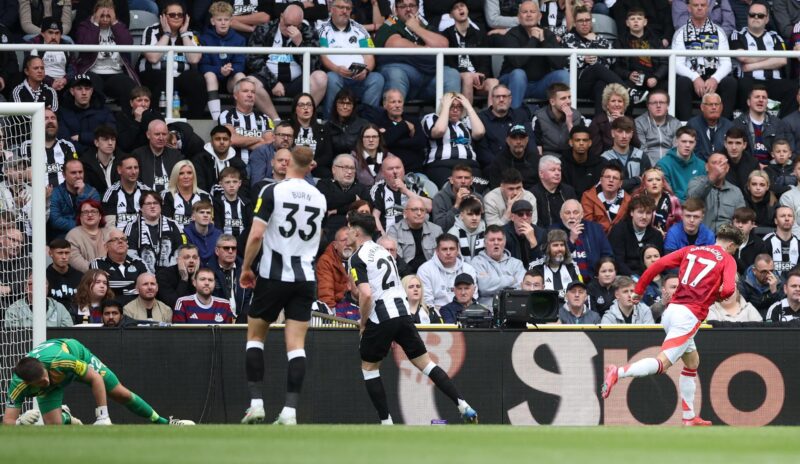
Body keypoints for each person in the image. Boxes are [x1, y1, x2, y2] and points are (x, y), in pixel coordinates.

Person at [601, 223, 744, 427]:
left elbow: (657, 266)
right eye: (735, 249)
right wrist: (715, 295)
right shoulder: (728, 260)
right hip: (688, 316)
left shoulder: (691, 249)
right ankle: (618, 372)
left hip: (672, 312)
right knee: (662, 364)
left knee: (692, 362)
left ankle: (689, 417)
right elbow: (729, 289)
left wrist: (640, 290)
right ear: (731, 245)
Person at [345, 212, 478, 424]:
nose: (346, 233)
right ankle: (463, 404)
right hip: (403, 313)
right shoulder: (385, 252)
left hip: (380, 317)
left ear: (356, 231)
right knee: (426, 364)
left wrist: (363, 324)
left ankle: (386, 422)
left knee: (369, 368)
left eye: (349, 228)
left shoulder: (356, 258)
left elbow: (366, 293)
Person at [239, 145, 326, 425]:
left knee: (255, 337)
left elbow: (256, 235)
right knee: (296, 346)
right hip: (305, 278)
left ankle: (256, 404)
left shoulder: (272, 190)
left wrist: (246, 267)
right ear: (311, 165)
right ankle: (290, 411)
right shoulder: (319, 197)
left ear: (286, 163)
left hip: (273, 276)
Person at [2, 338, 194, 425]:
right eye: (42, 383)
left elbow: (94, 378)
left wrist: (103, 417)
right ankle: (65, 416)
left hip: (79, 356)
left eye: (47, 376)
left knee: (119, 392)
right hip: (54, 377)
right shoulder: (18, 385)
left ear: (44, 367)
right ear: (29, 384)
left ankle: (163, 423)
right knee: (55, 428)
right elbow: (8, 421)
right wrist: (18, 423)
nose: (48, 381)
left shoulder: (61, 359)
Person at [374, 0, 459, 101]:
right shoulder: (391, 23)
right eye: (403, 6)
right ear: (396, 10)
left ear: (418, 8)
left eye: (412, 6)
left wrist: (417, 28)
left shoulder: (423, 24)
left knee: (452, 74)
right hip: (404, 73)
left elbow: (443, 44)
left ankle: (449, 115)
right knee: (396, 73)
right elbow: (395, 44)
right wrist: (428, 49)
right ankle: (394, 117)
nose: (408, 9)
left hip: (430, 76)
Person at [246, 4, 327, 106]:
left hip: (297, 82)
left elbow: (314, 66)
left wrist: (300, 44)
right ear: (281, 17)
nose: (290, 29)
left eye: (295, 26)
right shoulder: (265, 29)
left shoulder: (308, 31)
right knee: (250, 82)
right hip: (268, 79)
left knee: (321, 77)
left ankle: (305, 118)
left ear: (300, 24)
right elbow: (253, 60)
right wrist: (273, 82)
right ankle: (275, 119)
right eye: (287, 25)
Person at [138, 0, 207, 119]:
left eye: (180, 15)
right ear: (163, 16)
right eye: (172, 15)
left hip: (180, 78)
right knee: (162, 78)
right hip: (154, 77)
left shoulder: (190, 35)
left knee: (197, 79)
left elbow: (194, 59)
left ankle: (195, 120)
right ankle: (156, 120)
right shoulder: (151, 31)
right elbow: (153, 58)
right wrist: (166, 34)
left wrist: (184, 34)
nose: (176, 17)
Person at [672, 0, 737, 121]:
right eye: (696, 5)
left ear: (708, 7)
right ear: (689, 8)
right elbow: (677, 64)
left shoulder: (719, 31)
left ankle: (725, 126)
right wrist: (695, 77)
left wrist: (715, 78)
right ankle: (686, 125)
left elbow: (727, 63)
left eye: (703, 5)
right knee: (682, 82)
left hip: (714, 79)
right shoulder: (680, 32)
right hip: (691, 79)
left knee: (730, 82)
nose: (699, 8)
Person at [497, 1, 569, 109]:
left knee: (563, 74)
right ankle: (515, 118)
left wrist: (544, 42)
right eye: (525, 12)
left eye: (532, 11)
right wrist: (534, 39)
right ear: (518, 16)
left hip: (540, 85)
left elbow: (559, 64)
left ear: (539, 16)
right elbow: (517, 62)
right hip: (513, 84)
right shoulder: (511, 34)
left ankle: (564, 116)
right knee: (518, 74)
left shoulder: (548, 34)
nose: (529, 14)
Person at [318, 0, 384, 118]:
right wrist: (337, 69)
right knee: (331, 78)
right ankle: (330, 123)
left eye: (348, 8)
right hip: (337, 76)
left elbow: (369, 55)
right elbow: (323, 56)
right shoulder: (322, 29)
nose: (345, 11)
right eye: (340, 7)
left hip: (359, 77)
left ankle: (366, 124)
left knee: (377, 78)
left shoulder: (360, 29)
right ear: (331, 9)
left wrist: (366, 70)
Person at [731, 1, 797, 116]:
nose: (756, 18)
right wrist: (771, 54)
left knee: (792, 87)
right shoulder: (737, 34)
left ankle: (782, 124)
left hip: (773, 81)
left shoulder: (775, 36)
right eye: (752, 15)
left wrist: (752, 65)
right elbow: (743, 57)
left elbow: (782, 60)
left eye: (760, 16)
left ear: (767, 19)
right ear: (747, 16)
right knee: (743, 84)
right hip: (749, 82)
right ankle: (745, 123)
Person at [72, 0, 138, 114]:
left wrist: (115, 23)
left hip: (115, 73)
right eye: (102, 15)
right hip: (93, 71)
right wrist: (95, 24)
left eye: (108, 16)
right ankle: (94, 121)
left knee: (128, 86)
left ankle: (128, 123)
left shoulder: (119, 27)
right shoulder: (85, 26)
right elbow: (87, 45)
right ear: (95, 14)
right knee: (92, 86)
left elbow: (127, 43)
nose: (105, 19)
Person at [563, 5, 625, 114]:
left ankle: (599, 124)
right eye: (580, 20)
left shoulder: (599, 39)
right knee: (595, 67)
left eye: (587, 20)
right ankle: (626, 90)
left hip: (594, 85)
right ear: (575, 23)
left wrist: (595, 40)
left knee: (601, 85)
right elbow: (565, 62)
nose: (584, 23)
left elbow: (611, 60)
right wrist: (583, 59)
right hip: (577, 84)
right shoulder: (568, 38)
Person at [421, 92, 485, 187]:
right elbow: (439, 131)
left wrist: (468, 107)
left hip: (470, 165)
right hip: (441, 165)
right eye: (452, 106)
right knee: (451, 189)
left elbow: (479, 133)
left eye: (459, 106)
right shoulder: (432, 118)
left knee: (478, 188)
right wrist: (446, 107)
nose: (455, 110)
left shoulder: (466, 121)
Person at [199, 1, 248, 121]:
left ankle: (240, 117)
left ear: (231, 21)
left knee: (241, 76)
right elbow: (203, 65)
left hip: (230, 80)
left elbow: (240, 64)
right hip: (211, 80)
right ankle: (217, 120)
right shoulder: (204, 39)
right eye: (219, 19)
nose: (223, 23)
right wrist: (220, 70)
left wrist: (230, 70)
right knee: (210, 75)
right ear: (212, 21)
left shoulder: (239, 39)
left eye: (226, 19)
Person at [444, 1, 496, 104]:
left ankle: (490, 118)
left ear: (467, 9)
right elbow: (449, 64)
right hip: (460, 77)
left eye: (462, 6)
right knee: (468, 77)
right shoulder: (446, 35)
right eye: (456, 8)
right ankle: (466, 118)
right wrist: (467, 74)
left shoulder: (480, 33)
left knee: (494, 83)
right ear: (451, 15)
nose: (460, 9)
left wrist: (482, 75)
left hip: (478, 78)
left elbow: (486, 59)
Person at [612, 7, 669, 104]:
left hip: (653, 79)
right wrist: (628, 75)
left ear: (645, 22)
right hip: (631, 81)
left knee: (670, 85)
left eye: (639, 19)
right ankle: (626, 119)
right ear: (627, 23)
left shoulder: (655, 41)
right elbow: (615, 66)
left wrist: (656, 77)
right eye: (632, 19)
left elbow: (665, 63)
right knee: (623, 89)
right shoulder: (620, 42)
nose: (636, 21)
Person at [124, 191, 186, 274]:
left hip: (170, 274)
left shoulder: (173, 225)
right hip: (143, 276)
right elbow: (130, 254)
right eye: (148, 204)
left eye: (155, 203)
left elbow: (181, 250)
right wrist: (146, 273)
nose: (152, 206)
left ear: (161, 206)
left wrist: (170, 270)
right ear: (141, 208)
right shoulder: (131, 227)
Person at [732, 85, 794, 166]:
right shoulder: (737, 124)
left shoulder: (779, 124)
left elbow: (787, 151)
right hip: (746, 167)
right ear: (748, 102)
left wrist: (770, 167)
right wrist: (755, 165)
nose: (761, 100)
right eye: (757, 97)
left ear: (767, 103)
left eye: (764, 98)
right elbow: (735, 152)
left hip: (773, 169)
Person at [218, 77, 275, 166]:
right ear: (235, 95)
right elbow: (231, 139)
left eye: (253, 92)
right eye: (245, 91)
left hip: (260, 165)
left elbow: (269, 143)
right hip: (234, 165)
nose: (250, 95)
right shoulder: (226, 115)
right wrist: (259, 139)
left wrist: (241, 141)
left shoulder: (265, 118)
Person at [553, 199, 614, 282]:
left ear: (582, 215)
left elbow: (607, 255)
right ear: (561, 215)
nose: (572, 216)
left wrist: (601, 275)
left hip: (594, 281)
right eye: (567, 213)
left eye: (575, 212)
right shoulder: (553, 231)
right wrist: (571, 240)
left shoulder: (595, 229)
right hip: (565, 281)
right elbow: (554, 260)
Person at [370, 155, 431, 235]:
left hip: (414, 235)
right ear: (383, 173)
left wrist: (405, 191)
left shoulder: (414, 185)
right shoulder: (378, 189)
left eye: (398, 168)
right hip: (390, 237)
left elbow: (429, 207)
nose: (395, 171)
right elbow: (375, 217)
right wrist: (384, 238)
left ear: (404, 170)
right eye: (390, 169)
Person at [56, 74, 116, 155]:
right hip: (75, 157)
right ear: (72, 91)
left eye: (87, 89)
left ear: (91, 91)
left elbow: (110, 135)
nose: (84, 93)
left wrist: (81, 137)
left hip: (101, 155)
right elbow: (64, 140)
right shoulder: (63, 112)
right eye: (79, 89)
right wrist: (87, 154)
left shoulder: (104, 111)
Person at [686, 151, 746, 230]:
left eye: (722, 164)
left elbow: (741, 218)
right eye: (714, 163)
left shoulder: (735, 191)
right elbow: (692, 199)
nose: (718, 167)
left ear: (727, 168)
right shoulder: (696, 182)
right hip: (701, 237)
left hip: (727, 238)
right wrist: (713, 177)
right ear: (706, 167)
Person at [417, 233, 479, 309]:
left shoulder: (468, 269)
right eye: (444, 249)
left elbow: (473, 297)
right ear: (437, 251)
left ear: (458, 250)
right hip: (437, 315)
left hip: (464, 313)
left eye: (452, 249)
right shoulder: (425, 270)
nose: (448, 253)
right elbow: (426, 302)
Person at [608, 195, 664, 276]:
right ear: (631, 212)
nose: (644, 217)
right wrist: (635, 278)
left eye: (648, 213)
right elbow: (617, 262)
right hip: (624, 276)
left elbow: (659, 262)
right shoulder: (619, 231)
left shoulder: (656, 235)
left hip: (650, 276)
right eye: (640, 212)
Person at [471, 225, 525, 307]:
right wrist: (511, 279)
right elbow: (484, 287)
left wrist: (492, 282)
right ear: (485, 243)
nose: (496, 243)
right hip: (487, 311)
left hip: (513, 309)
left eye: (499, 239)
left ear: (504, 242)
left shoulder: (516, 264)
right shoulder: (477, 262)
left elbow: (522, 288)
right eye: (492, 240)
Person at [90, 229, 147, 304]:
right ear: (106, 246)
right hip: (110, 308)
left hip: (136, 308)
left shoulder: (139, 263)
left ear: (127, 245)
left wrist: (112, 284)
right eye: (115, 239)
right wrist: (133, 286)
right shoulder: (97, 263)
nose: (120, 241)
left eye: (123, 239)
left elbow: (146, 288)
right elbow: (98, 289)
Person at [49, 159, 100, 240]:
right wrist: (79, 228)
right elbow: (55, 220)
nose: (78, 176)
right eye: (73, 173)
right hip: (63, 237)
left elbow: (94, 216)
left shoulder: (92, 192)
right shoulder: (55, 193)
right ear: (64, 175)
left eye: (80, 172)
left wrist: (82, 195)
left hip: (88, 235)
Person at [389, 196, 443, 273]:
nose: (419, 213)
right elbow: (398, 261)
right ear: (405, 213)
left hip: (432, 273)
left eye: (422, 210)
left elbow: (441, 257)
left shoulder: (436, 230)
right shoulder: (395, 231)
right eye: (414, 209)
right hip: (406, 275)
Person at [533, 83, 585, 158]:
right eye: (563, 98)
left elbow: (580, 146)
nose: (568, 101)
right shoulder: (540, 117)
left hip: (571, 157)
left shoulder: (578, 116)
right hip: (548, 157)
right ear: (552, 102)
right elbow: (537, 146)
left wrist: (570, 124)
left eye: (569, 97)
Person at [589, 84, 641, 159]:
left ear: (624, 105)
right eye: (613, 101)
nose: (616, 104)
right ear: (607, 104)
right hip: (605, 161)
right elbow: (595, 151)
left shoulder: (630, 120)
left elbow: (636, 144)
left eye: (620, 101)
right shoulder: (598, 121)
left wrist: (624, 122)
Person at [289, 93, 334, 178]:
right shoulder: (288, 128)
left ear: (313, 108)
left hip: (315, 168)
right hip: (293, 165)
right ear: (295, 109)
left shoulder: (323, 129)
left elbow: (328, 155)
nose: (306, 108)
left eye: (309, 105)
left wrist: (315, 162)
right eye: (301, 105)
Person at [656, 126, 707, 202]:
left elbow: (704, 192)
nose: (687, 145)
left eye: (691, 142)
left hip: (695, 207)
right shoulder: (663, 164)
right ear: (676, 141)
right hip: (673, 206)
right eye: (684, 141)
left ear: (695, 143)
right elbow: (666, 193)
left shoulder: (702, 165)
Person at [102, 153, 151, 230]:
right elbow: (109, 226)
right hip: (119, 239)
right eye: (129, 168)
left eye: (136, 167)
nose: (134, 172)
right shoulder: (111, 193)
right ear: (119, 170)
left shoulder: (147, 192)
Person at [4, 274, 73, 329]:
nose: (40, 286)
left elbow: (68, 335)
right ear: (26, 288)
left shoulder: (59, 308)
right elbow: (13, 338)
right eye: (34, 283)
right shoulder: (14, 310)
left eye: (44, 283)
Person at [485, 124, 539, 191]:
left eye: (521, 138)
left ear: (527, 140)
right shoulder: (498, 162)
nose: (518, 142)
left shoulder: (536, 159)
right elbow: (495, 189)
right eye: (514, 138)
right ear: (507, 140)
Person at [635, 89, 682, 165]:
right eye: (654, 103)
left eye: (662, 102)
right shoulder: (639, 123)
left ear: (667, 105)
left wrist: (666, 167)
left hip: (670, 166)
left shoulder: (675, 123)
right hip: (646, 166)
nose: (658, 106)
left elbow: (676, 150)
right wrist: (655, 168)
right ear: (648, 105)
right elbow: (642, 150)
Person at [431, 164, 484, 232]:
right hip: (449, 238)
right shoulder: (440, 197)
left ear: (471, 181)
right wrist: (456, 205)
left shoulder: (478, 197)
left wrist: (481, 211)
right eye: (459, 178)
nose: (463, 181)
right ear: (451, 180)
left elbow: (484, 226)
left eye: (467, 178)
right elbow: (440, 227)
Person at [581, 164, 631, 234]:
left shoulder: (628, 200)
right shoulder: (588, 197)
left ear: (620, 183)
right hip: (596, 238)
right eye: (607, 177)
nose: (611, 180)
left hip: (619, 240)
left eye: (615, 178)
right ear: (601, 180)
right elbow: (588, 225)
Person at [532, 156, 578, 228]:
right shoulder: (533, 194)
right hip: (544, 235)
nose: (557, 173)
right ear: (541, 174)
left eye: (559, 170)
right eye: (553, 170)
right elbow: (535, 222)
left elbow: (577, 214)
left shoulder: (568, 191)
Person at [67, 198, 112, 272]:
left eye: (93, 211)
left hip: (110, 275)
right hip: (84, 278)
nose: (90, 215)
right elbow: (75, 262)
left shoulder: (109, 233)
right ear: (80, 217)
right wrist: (98, 272)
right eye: (85, 212)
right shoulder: (73, 235)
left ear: (100, 216)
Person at [686, 93, 733, 161]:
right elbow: (693, 151)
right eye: (710, 104)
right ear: (702, 107)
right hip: (700, 167)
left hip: (722, 166)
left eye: (716, 104)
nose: (714, 107)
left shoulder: (729, 126)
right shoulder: (693, 125)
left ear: (721, 107)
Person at [503, 199, 548, 269]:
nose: (525, 217)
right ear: (512, 217)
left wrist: (533, 241)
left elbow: (542, 262)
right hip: (511, 272)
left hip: (533, 272)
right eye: (520, 214)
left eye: (528, 214)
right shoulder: (503, 233)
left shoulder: (541, 233)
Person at [561, 125, 604, 196]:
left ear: (590, 143)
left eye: (585, 140)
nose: (581, 143)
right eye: (577, 140)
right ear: (571, 142)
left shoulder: (600, 163)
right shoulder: (561, 164)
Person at [316, 226, 352, 309]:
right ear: (335, 245)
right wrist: (332, 317)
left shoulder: (361, 258)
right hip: (337, 309)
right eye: (344, 240)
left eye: (350, 240)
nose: (347, 243)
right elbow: (326, 294)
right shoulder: (326, 261)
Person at [80, 125, 121, 199]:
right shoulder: (85, 164)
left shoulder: (123, 161)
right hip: (96, 205)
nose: (110, 143)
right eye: (105, 139)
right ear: (96, 142)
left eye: (113, 139)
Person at [156, 244, 200, 309]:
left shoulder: (204, 275)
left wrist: (195, 281)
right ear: (178, 260)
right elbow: (173, 304)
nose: (191, 261)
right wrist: (184, 279)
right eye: (187, 257)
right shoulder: (164, 275)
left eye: (194, 257)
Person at [760, 205, 800, 277]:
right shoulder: (766, 242)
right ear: (776, 221)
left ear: (793, 220)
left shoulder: (798, 243)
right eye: (783, 216)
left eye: (790, 216)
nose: (787, 219)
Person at [46, 238, 82, 310]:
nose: (64, 257)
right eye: (60, 253)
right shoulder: (44, 277)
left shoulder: (80, 276)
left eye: (67, 253)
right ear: (50, 253)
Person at [184, 200, 222, 266]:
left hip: (214, 272)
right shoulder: (185, 233)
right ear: (193, 217)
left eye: (208, 213)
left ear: (211, 218)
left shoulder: (218, 234)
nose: (205, 215)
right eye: (201, 212)